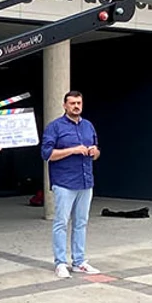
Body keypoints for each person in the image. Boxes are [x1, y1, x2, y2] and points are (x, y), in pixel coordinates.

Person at [39, 89, 101, 279]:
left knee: (81, 223)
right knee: (61, 223)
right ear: (65, 105)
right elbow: (47, 154)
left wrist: (93, 152)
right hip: (64, 182)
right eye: (72, 103)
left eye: (79, 103)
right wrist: (73, 150)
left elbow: (97, 151)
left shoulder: (88, 126)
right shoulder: (54, 127)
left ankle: (79, 261)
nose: (76, 106)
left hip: (85, 181)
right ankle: (60, 263)